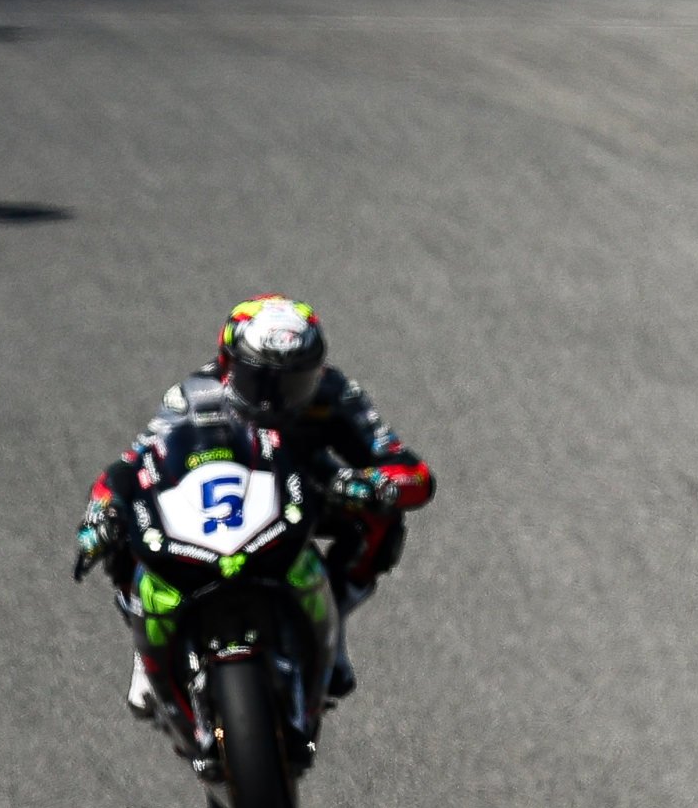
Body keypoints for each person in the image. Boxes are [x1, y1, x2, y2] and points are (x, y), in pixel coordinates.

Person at [75, 297, 435, 713]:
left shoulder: (335, 393)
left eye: (293, 382)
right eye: (259, 381)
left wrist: (371, 485)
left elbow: (412, 470)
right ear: (229, 365)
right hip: (220, 502)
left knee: (383, 521)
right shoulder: (193, 396)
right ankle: (144, 644)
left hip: (306, 496)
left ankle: (334, 622)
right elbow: (129, 465)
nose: (275, 400)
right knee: (125, 528)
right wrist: (102, 511)